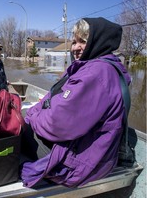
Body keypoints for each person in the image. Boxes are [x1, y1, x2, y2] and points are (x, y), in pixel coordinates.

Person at [20, 17, 131, 188]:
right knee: (22, 119)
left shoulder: (95, 74)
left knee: (16, 128)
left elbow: (56, 124)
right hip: (89, 153)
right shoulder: (94, 67)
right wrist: (34, 113)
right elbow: (51, 99)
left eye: (83, 41)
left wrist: (30, 117)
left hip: (80, 163)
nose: (75, 48)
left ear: (98, 42)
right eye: (74, 41)